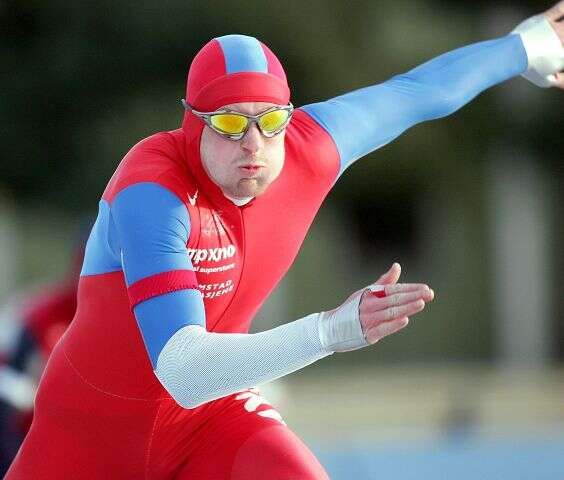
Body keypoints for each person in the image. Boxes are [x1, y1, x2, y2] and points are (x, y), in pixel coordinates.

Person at [7, 3, 564, 479]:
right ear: (192, 123)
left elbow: (418, 92)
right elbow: (184, 371)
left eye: (270, 119)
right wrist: (330, 331)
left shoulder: (310, 149)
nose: (254, 142)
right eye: (229, 123)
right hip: (87, 437)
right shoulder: (153, 190)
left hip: (210, 421)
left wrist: (524, 47)